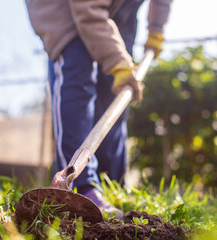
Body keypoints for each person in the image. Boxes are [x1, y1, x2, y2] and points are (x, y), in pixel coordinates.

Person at [25, 0, 172, 217]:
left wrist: (156, 29)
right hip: (65, 7)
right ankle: (80, 186)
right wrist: (117, 61)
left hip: (117, 9)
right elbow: (88, 9)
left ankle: (112, 186)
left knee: (115, 92)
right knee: (77, 71)